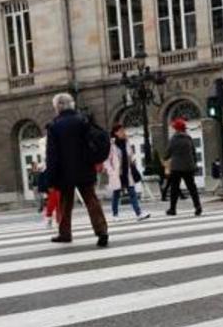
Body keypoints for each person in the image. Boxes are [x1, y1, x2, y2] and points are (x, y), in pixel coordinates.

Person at [44, 93, 109, 247]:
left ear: (58, 107)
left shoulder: (54, 126)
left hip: (64, 172)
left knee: (65, 203)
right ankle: (102, 231)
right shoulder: (83, 120)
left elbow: (52, 155)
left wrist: (50, 178)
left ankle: (65, 233)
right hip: (85, 168)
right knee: (91, 200)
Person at [105, 123, 150, 222]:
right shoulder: (111, 145)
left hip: (127, 171)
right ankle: (115, 215)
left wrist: (132, 162)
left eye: (123, 130)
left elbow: (131, 155)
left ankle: (139, 213)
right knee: (116, 194)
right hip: (117, 173)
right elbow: (107, 160)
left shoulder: (126, 142)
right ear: (115, 133)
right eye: (121, 131)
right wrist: (111, 171)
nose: (123, 132)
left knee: (132, 193)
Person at [163, 118, 202, 217]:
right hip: (188, 166)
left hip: (176, 167)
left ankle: (172, 209)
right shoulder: (188, 138)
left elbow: (167, 154)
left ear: (176, 128)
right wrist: (194, 164)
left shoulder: (173, 139)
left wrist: (165, 157)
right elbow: (193, 152)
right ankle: (198, 206)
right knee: (192, 188)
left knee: (174, 189)